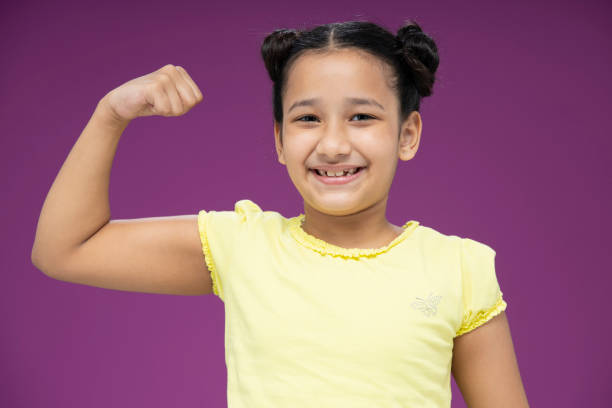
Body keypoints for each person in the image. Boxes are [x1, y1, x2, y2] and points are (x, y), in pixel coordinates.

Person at [31, 19, 529, 408]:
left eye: (362, 117)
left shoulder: (458, 269)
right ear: (279, 140)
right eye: (307, 118)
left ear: (407, 134)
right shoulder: (244, 247)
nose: (333, 144)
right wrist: (110, 114)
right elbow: (64, 249)